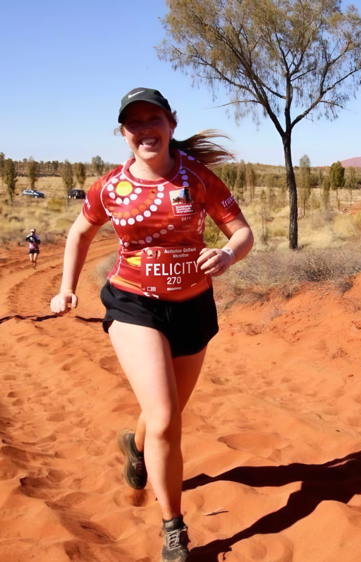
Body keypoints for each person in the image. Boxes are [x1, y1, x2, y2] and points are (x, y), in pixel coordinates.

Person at [50, 88, 254, 562]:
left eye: (154, 118)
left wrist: (226, 253)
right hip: (133, 304)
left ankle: (135, 447)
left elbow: (242, 232)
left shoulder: (198, 179)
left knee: (163, 414)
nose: (145, 128)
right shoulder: (110, 187)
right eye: (134, 122)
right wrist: (66, 286)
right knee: (166, 418)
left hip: (193, 307)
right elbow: (81, 231)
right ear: (123, 134)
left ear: (171, 124)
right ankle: (174, 530)